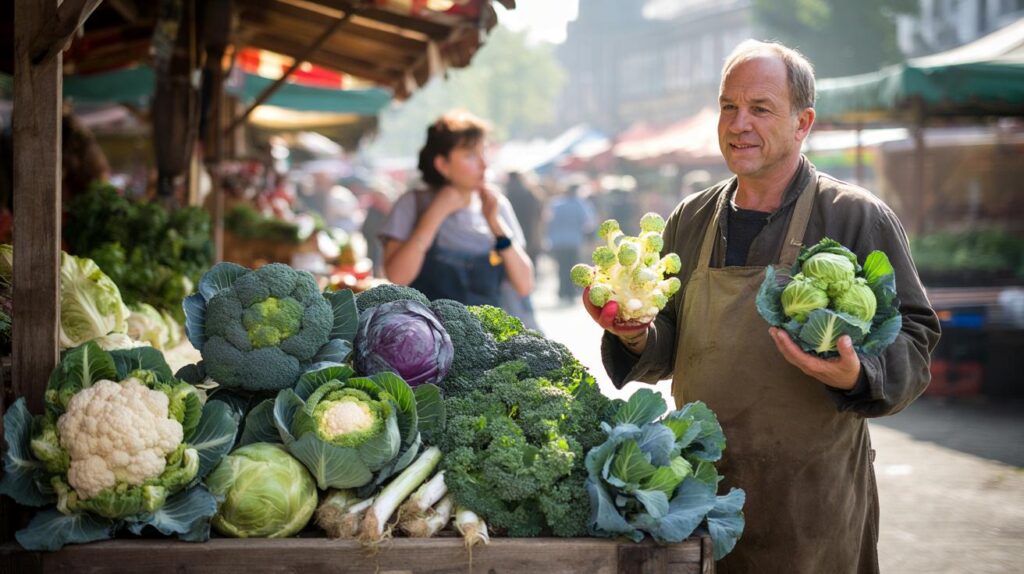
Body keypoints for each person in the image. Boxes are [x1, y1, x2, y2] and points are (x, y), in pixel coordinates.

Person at [586, 40, 940, 573]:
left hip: (810, 504)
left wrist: (856, 373)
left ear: (803, 123)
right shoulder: (692, 217)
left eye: (760, 108)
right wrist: (635, 334)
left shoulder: (854, 217)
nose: (738, 123)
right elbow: (670, 344)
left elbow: (915, 336)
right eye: (729, 106)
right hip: (697, 493)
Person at [378, 110, 534, 307]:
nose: (484, 164)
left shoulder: (496, 204)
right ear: (442, 164)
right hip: (428, 333)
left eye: (484, 152)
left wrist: (496, 226)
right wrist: (436, 212)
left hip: (487, 335)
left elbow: (524, 285)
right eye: (470, 155)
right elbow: (397, 277)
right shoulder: (412, 204)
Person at [547, 180, 597, 302]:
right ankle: (570, 291)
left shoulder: (556, 203)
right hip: (574, 240)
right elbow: (589, 223)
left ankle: (562, 291)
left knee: (561, 266)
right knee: (572, 266)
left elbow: (548, 221)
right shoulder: (581, 204)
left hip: (557, 240)